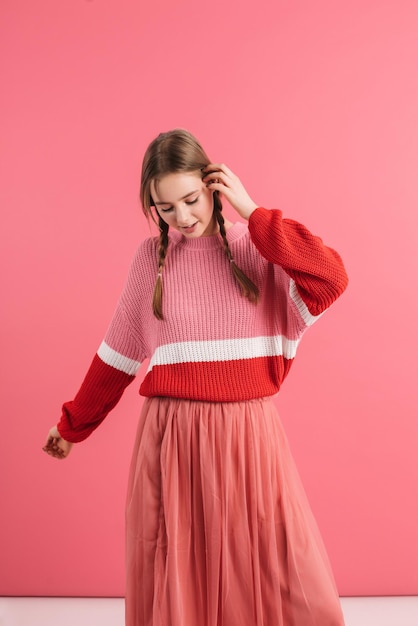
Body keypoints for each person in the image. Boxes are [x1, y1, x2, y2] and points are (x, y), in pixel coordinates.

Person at [44, 128, 348, 626]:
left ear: (214, 185)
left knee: (271, 561)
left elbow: (331, 277)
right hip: (173, 440)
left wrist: (253, 212)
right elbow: (117, 354)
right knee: (181, 569)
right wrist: (72, 424)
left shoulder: (260, 251)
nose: (182, 217)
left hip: (249, 441)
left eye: (191, 199)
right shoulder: (152, 260)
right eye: (166, 208)